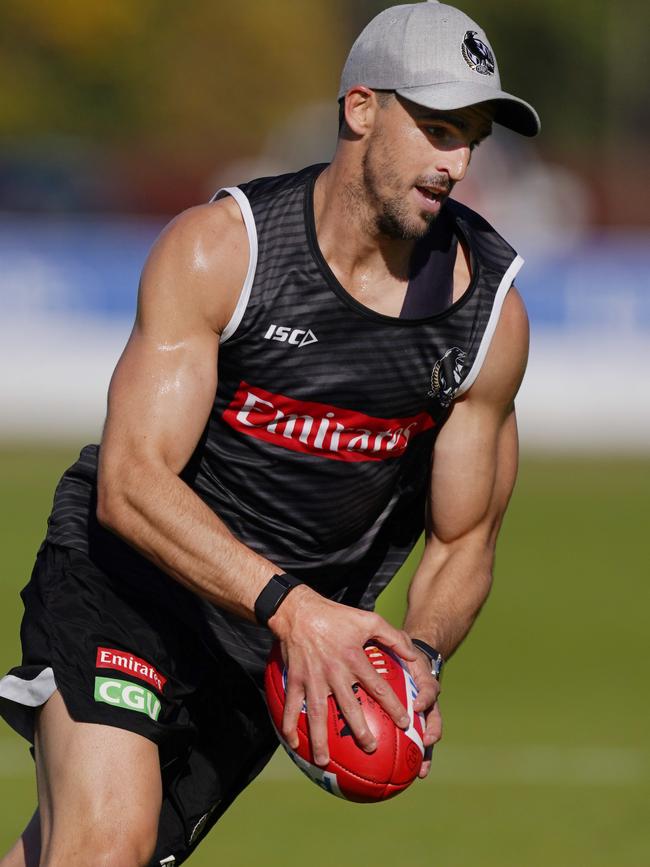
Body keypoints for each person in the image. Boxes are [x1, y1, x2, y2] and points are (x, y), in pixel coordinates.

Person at [0, 2, 540, 865]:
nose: (458, 163)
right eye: (437, 128)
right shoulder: (222, 253)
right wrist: (295, 609)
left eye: (470, 137)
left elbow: (464, 535)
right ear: (361, 109)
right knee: (105, 849)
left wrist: (422, 652)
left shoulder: (486, 318)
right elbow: (131, 482)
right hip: (130, 586)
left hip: (283, 654)